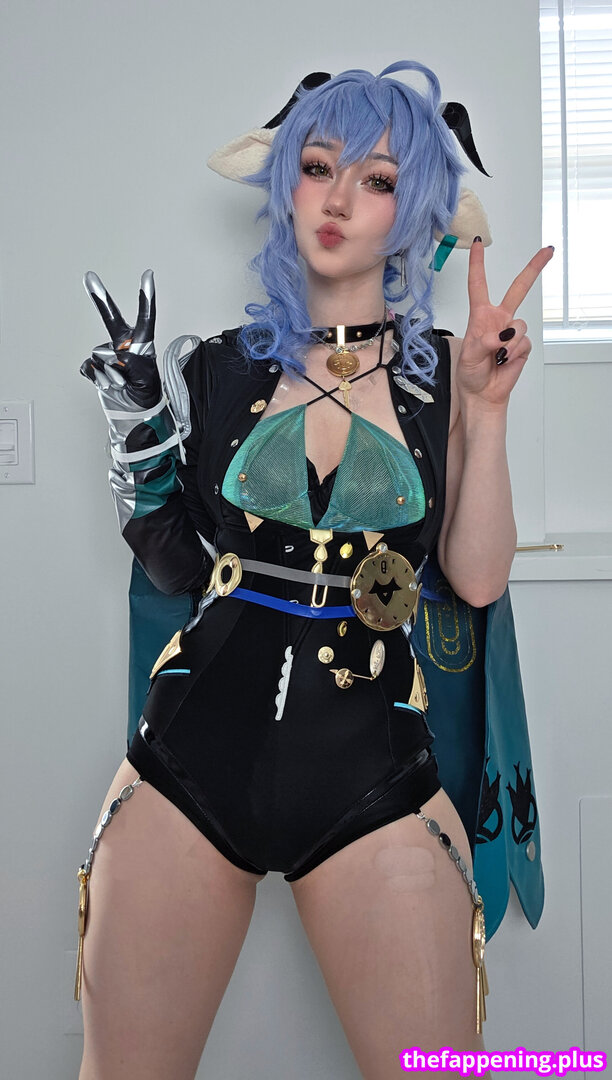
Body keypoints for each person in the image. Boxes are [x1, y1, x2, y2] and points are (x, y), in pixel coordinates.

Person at [75, 61, 552, 1079]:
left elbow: (475, 580)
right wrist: (138, 433)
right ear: (285, 179)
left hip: (374, 779)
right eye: (318, 166)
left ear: (415, 213)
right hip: (186, 764)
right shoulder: (219, 367)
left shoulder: (447, 373)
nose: (337, 200)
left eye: (377, 181)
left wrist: (487, 412)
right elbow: (176, 562)